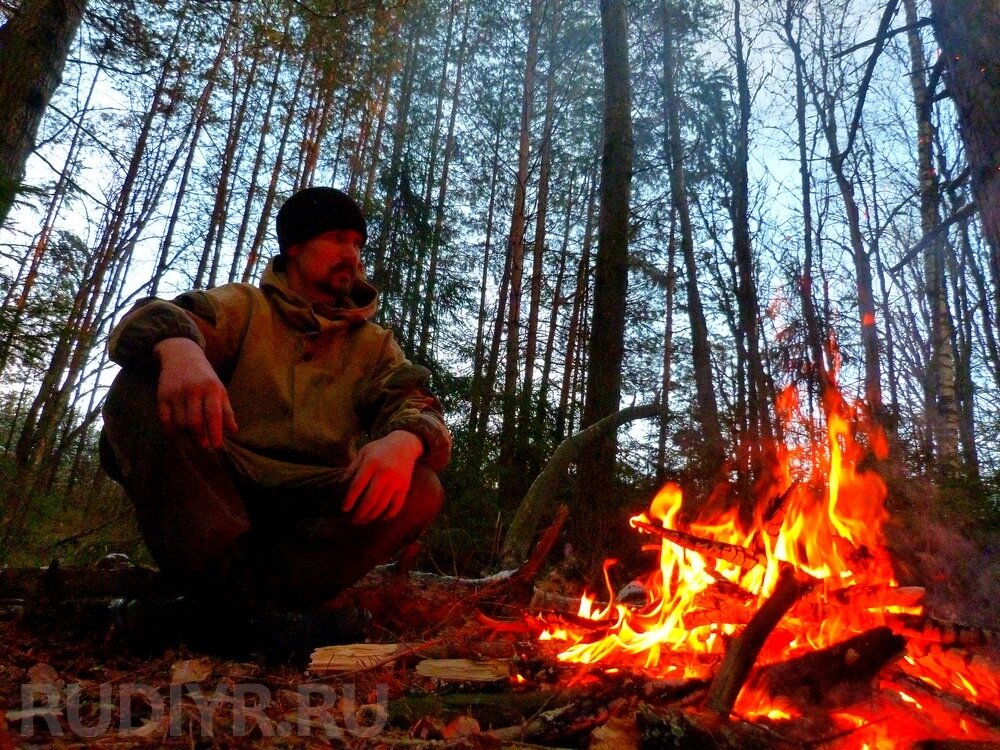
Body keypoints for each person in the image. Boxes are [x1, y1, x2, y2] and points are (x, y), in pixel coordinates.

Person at [100, 187, 451, 657]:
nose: (352, 254)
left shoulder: (374, 345)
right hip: (221, 492)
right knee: (139, 387)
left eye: (358, 244)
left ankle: (214, 617)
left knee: (420, 487)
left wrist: (405, 440)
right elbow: (154, 317)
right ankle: (247, 615)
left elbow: (417, 403)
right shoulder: (245, 306)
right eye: (337, 238)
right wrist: (180, 349)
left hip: (309, 511)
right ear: (294, 247)